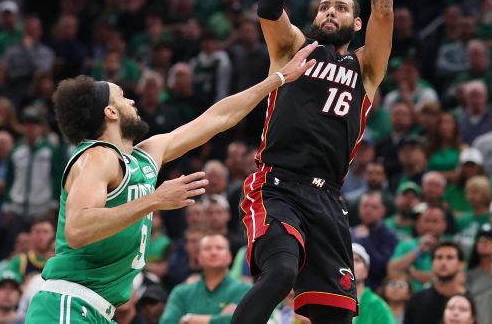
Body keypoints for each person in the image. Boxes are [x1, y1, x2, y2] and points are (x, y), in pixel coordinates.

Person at [26, 43, 317, 322]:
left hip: (98, 310)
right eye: (123, 97)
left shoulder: (144, 156)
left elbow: (218, 117)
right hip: (69, 305)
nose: (132, 101)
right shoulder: (98, 156)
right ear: (110, 112)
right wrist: (155, 200)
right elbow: (77, 229)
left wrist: (278, 79)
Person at [233, 0, 394, 323]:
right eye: (324, 5)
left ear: (356, 24)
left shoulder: (366, 68)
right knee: (281, 269)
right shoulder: (293, 49)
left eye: (340, 7)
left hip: (330, 200)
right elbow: (267, 6)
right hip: (278, 184)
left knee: (335, 318)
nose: (329, 11)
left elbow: (384, 10)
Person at [159, 234, 251, 323]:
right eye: (207, 249)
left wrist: (190, 319)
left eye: (219, 248)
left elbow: (247, 320)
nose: (213, 252)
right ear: (199, 258)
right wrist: (222, 319)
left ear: (229, 257)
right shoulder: (181, 292)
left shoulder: (246, 290)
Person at [403, 241, 466, 324]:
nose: (443, 262)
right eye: (439, 257)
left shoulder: (469, 301)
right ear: (432, 263)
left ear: (460, 264)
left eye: (450, 257)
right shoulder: (416, 300)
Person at [351, 243, 395, 324]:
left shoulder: (378, 307)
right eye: (348, 260)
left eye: (356, 260)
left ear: (366, 272)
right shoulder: (331, 301)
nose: (351, 263)